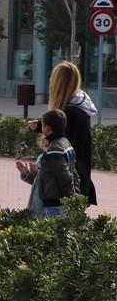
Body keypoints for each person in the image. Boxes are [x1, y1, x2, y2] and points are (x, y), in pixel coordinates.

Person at [28, 61, 98, 205]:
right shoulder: (80, 106)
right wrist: (42, 126)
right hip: (79, 178)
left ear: (57, 84)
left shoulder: (70, 111)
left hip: (66, 186)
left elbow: (62, 143)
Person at [17, 109, 80, 217]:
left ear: (47, 128)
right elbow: (51, 179)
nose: (41, 128)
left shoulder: (54, 150)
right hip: (56, 203)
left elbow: (64, 178)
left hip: (55, 206)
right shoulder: (65, 142)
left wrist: (72, 203)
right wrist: (30, 173)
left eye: (43, 125)